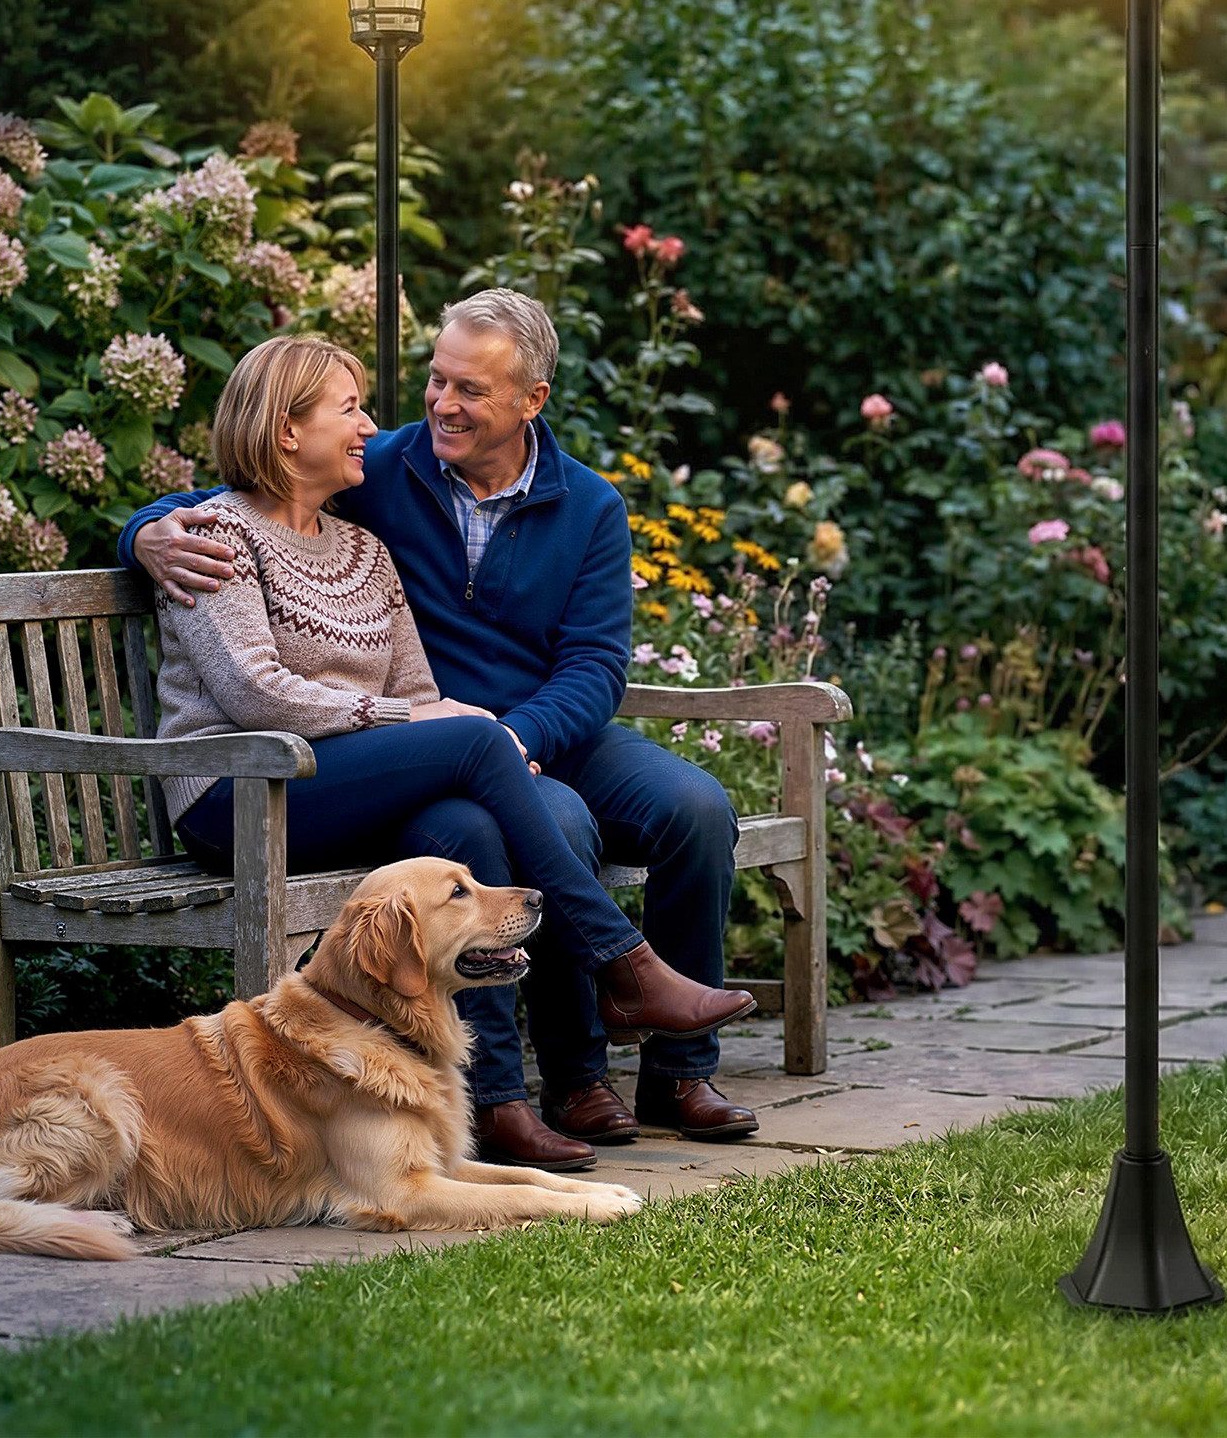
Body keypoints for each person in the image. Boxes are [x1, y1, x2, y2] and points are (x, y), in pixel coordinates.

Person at [122, 290, 762, 1164]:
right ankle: (573, 1068)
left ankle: (679, 1072)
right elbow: (234, 492)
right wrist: (144, 535)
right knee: (523, 817)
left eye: (470, 390)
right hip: (407, 745)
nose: (439, 406)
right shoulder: (382, 468)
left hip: (528, 731)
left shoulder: (588, 508)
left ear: (531, 400)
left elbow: (595, 670)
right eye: (436, 380)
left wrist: (513, 739)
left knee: (694, 807)